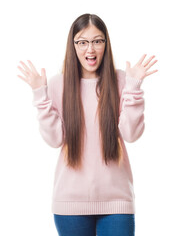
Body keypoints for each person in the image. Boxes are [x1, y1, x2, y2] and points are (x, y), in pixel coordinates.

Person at [17, 13, 158, 236]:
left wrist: (134, 88)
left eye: (97, 41)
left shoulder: (122, 80)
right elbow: (54, 140)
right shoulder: (58, 84)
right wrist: (40, 95)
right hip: (70, 204)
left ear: (105, 44)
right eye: (82, 42)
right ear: (73, 45)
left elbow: (131, 134)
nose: (90, 49)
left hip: (117, 202)